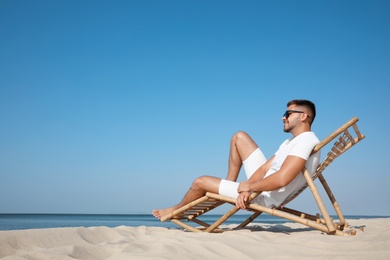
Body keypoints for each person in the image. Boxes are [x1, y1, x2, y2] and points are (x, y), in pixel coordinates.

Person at [153, 99, 320, 219]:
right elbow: (263, 169)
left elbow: (283, 178)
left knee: (199, 182)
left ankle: (178, 210)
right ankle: (227, 185)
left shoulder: (306, 141)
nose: (283, 117)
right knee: (239, 137)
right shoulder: (291, 142)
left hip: (265, 197)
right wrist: (246, 188)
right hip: (260, 187)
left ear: (304, 116)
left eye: (288, 113)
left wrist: (250, 187)